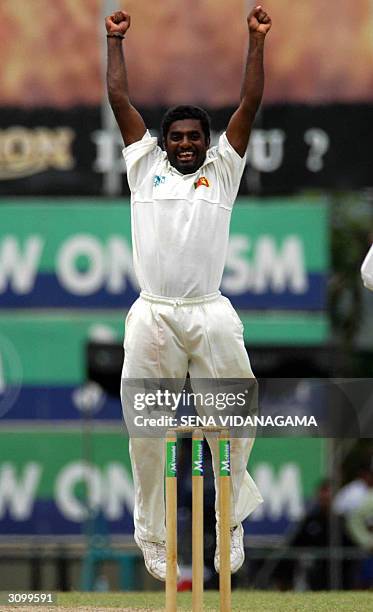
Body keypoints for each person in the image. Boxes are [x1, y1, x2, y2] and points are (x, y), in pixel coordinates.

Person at [105, 5, 271, 581]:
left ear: (206, 142)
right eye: (175, 136)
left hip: (210, 314)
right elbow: (120, 102)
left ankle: (229, 524)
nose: (182, 144)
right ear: (164, 141)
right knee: (145, 427)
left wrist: (255, 42)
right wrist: (115, 42)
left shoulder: (223, 171)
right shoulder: (142, 163)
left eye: (192, 137)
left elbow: (248, 104)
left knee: (234, 414)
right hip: (152, 314)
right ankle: (153, 538)